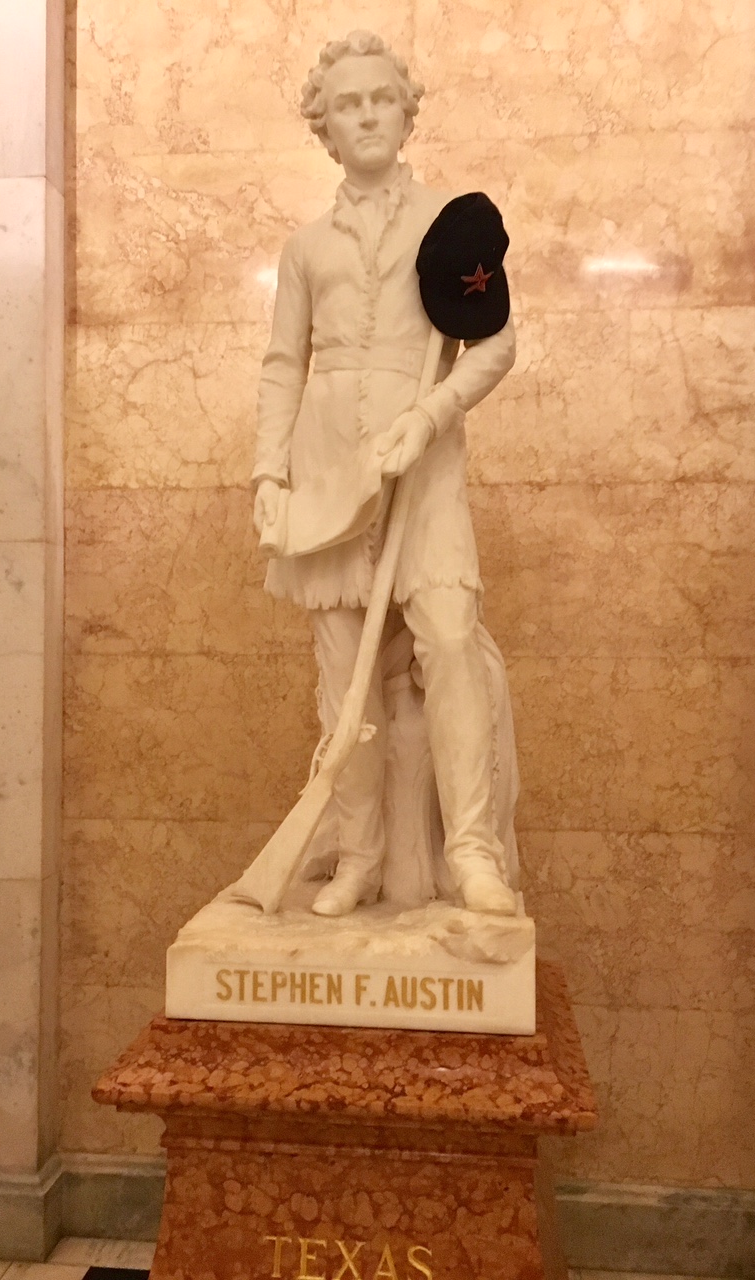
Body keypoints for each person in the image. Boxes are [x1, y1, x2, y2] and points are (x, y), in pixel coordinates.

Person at [252, 31, 518, 918]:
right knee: (346, 682)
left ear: (407, 111)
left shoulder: (450, 225)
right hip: (328, 475)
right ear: (323, 128)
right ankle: (359, 854)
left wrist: (430, 416)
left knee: (447, 639)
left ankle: (472, 849)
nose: (365, 114)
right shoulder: (304, 248)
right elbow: (283, 364)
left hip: (423, 472)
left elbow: (496, 343)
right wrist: (269, 474)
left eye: (380, 99)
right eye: (347, 104)